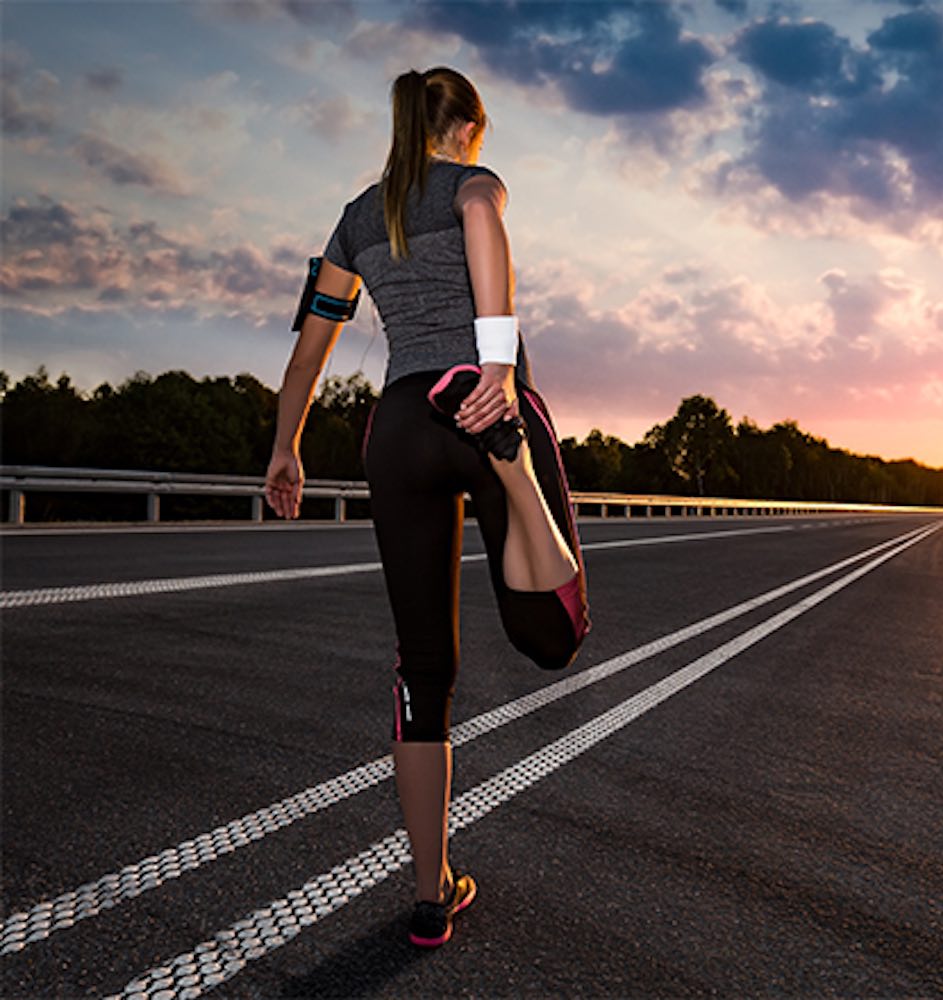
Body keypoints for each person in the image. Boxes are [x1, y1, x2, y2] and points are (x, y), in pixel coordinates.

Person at [264, 66, 589, 948]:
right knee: (553, 633)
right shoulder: (471, 183)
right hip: (482, 405)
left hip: (400, 423)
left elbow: (307, 353)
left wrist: (285, 446)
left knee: (422, 668)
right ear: (471, 127)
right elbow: (481, 213)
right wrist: (495, 369)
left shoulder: (357, 218)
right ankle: (514, 469)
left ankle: (428, 892)